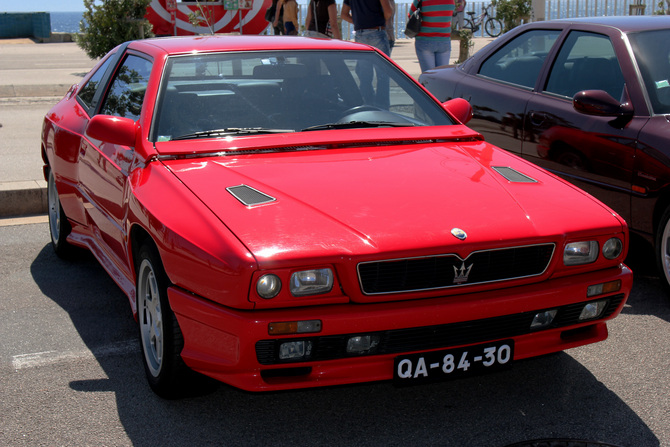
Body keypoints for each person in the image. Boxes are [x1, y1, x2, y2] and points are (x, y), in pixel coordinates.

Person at [409, 0, 455, 72]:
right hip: (444, 40)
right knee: (442, 76)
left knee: (429, 77)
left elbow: (411, 15)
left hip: (424, 40)